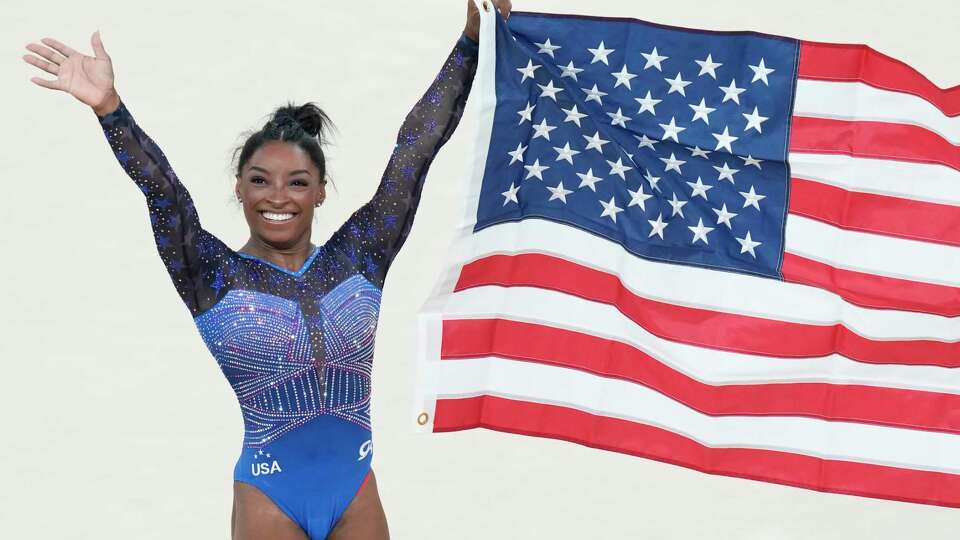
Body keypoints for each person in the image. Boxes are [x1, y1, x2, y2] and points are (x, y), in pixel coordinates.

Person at [22, 1, 511, 538]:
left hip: (356, 490)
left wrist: (470, 39)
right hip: (269, 496)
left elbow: (416, 150)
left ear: (320, 192)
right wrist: (111, 109)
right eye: (260, 180)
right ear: (239, 187)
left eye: (298, 182)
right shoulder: (210, 274)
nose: (278, 197)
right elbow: (163, 191)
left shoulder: (362, 254)